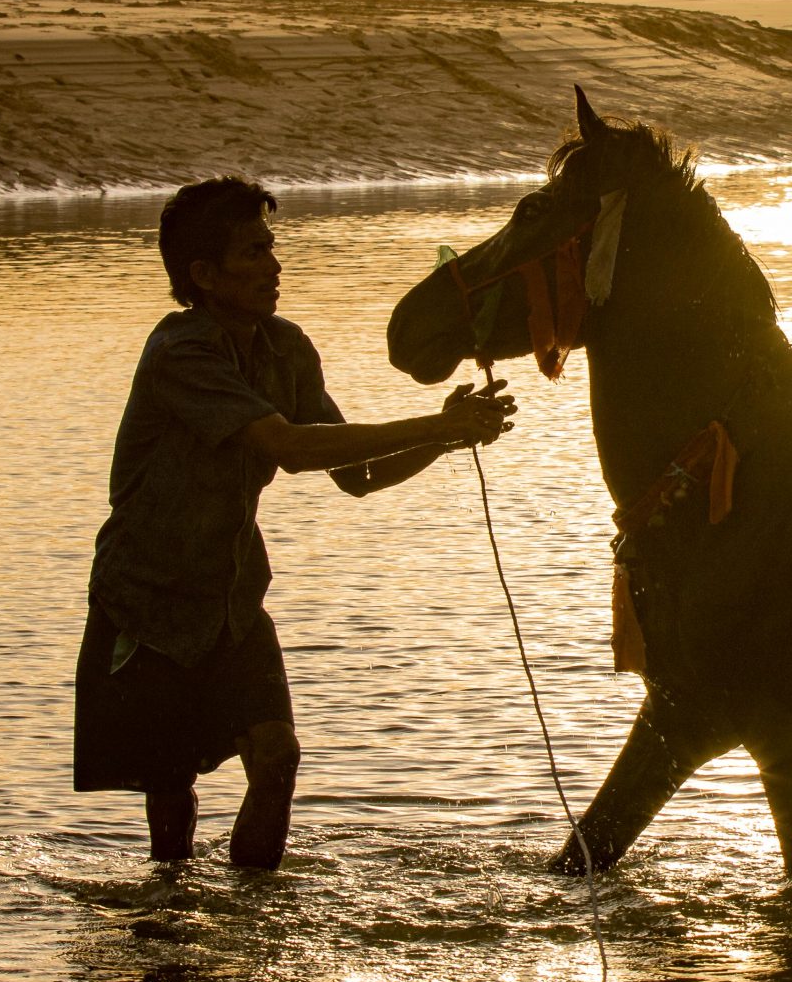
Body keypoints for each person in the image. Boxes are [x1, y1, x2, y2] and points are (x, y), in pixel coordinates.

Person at [76, 177, 514, 867]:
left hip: (232, 596)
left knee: (277, 757)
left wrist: (446, 437)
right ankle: (171, 917)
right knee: (170, 795)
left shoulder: (286, 348)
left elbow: (357, 474)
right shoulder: (182, 352)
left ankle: (254, 928)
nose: (274, 266)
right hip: (148, 598)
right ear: (203, 275)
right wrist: (436, 420)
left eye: (272, 248)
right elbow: (290, 447)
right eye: (253, 252)